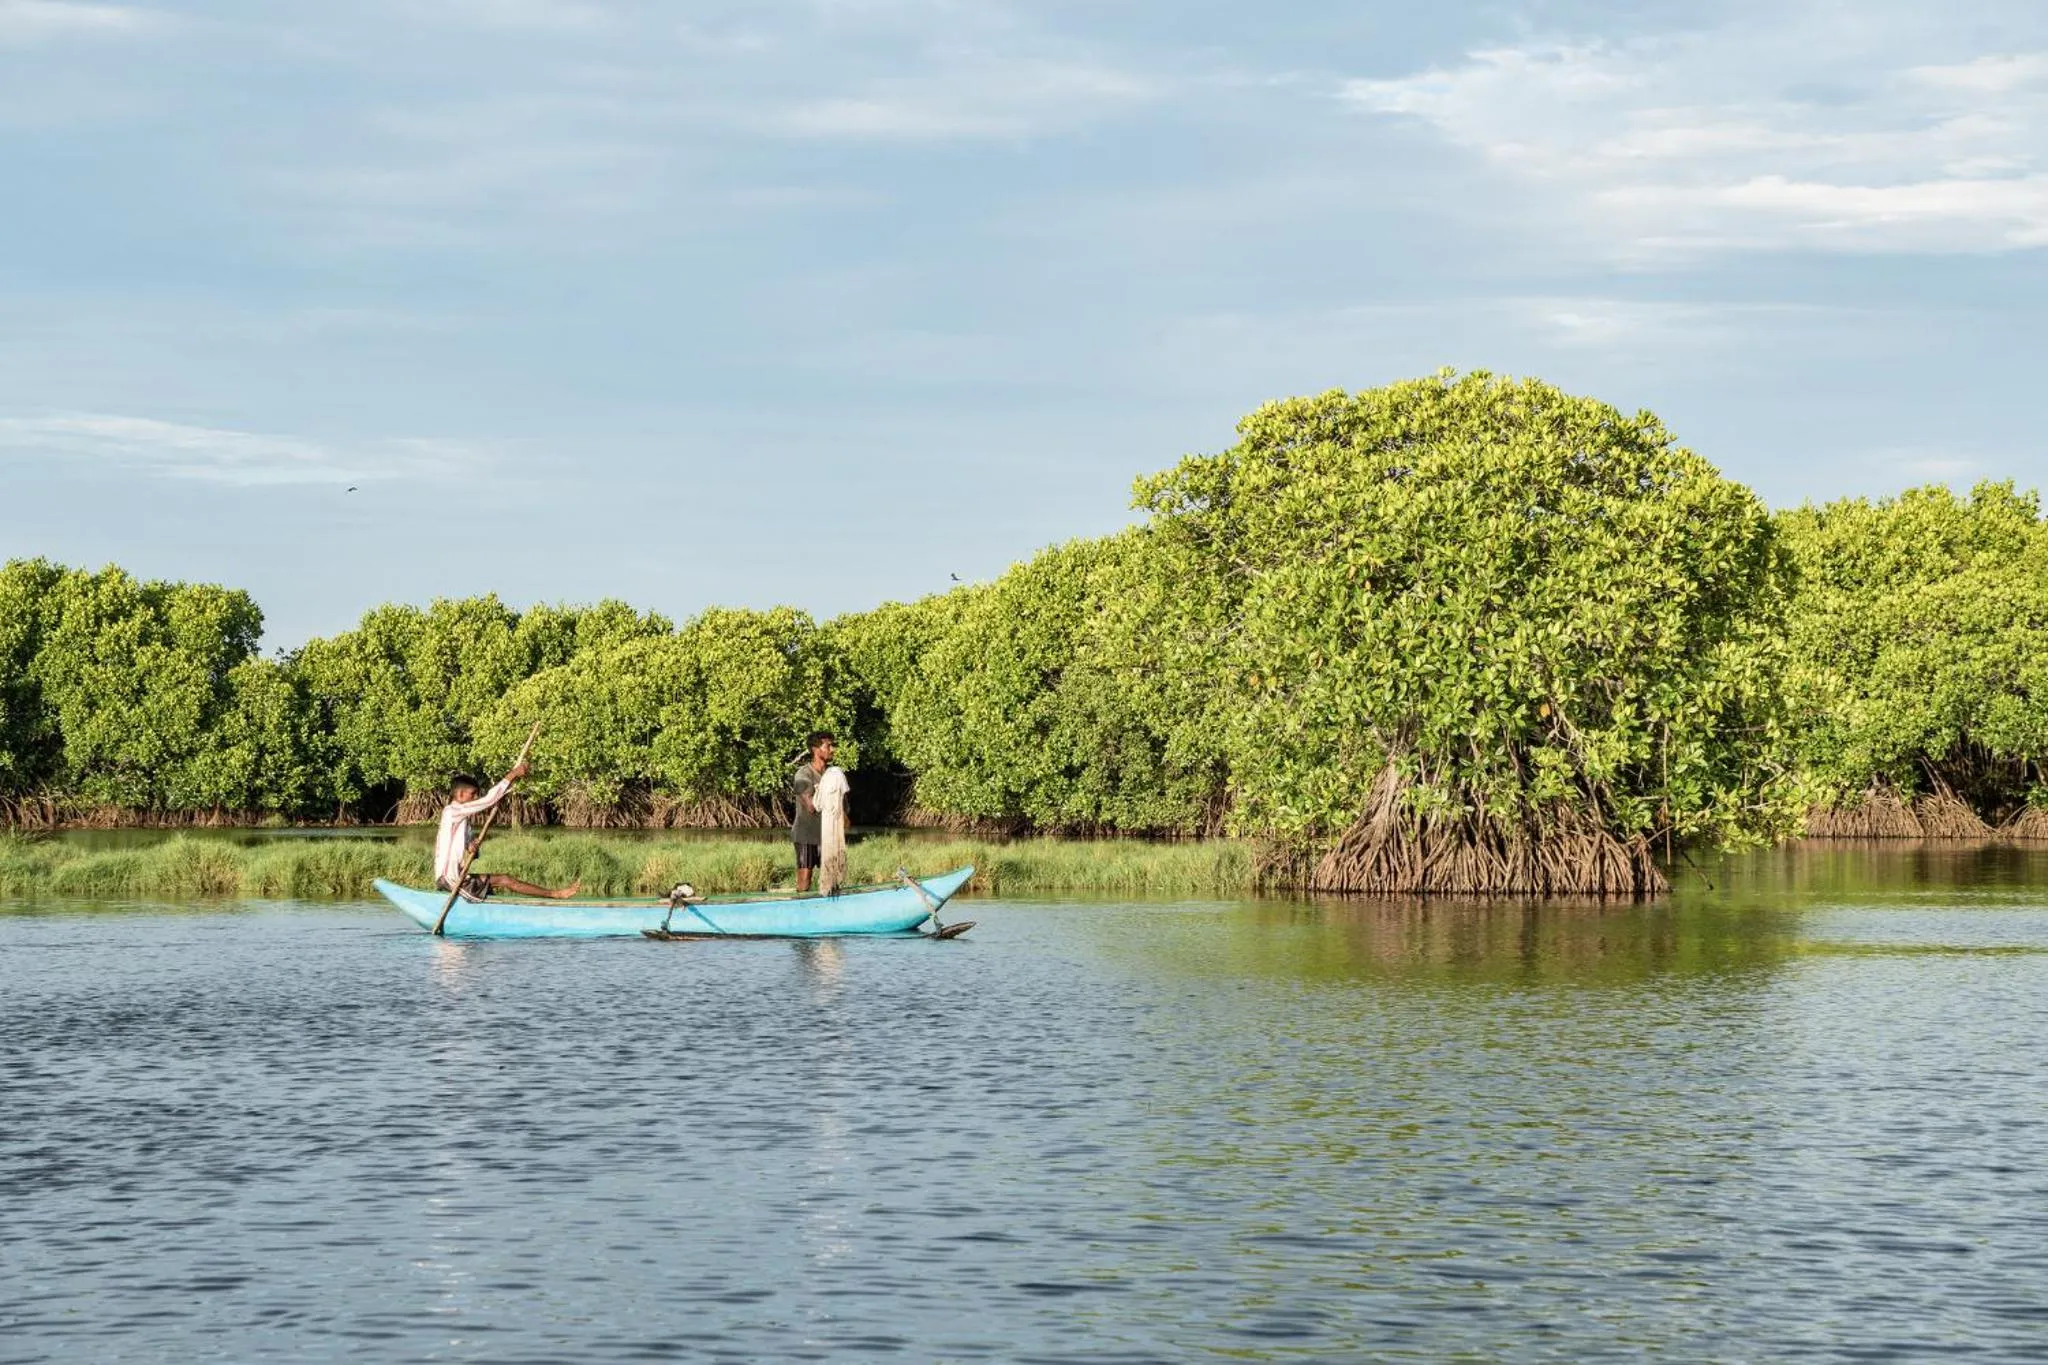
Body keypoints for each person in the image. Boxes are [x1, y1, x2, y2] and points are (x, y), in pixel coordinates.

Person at [435, 765, 581, 901]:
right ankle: (556, 894)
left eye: (476, 795)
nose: (475, 799)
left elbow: (466, 847)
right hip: (449, 880)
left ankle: (555, 894)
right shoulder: (452, 811)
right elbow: (488, 800)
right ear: (460, 794)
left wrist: (471, 847)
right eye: (472, 794)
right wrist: (512, 775)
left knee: (505, 879)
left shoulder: (463, 821)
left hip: (459, 877)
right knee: (501, 882)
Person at [791, 731, 835, 892]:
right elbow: (811, 806)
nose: (832, 750)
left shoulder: (833, 774)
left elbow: (842, 805)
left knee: (832, 879)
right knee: (805, 880)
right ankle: (801, 909)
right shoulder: (803, 774)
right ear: (816, 750)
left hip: (828, 836)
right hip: (806, 834)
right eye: (828, 746)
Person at [814, 762, 851, 895]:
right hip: (830, 821)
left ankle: (833, 886)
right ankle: (828, 886)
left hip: (832, 819)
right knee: (830, 852)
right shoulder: (835, 776)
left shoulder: (830, 777)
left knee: (834, 854)